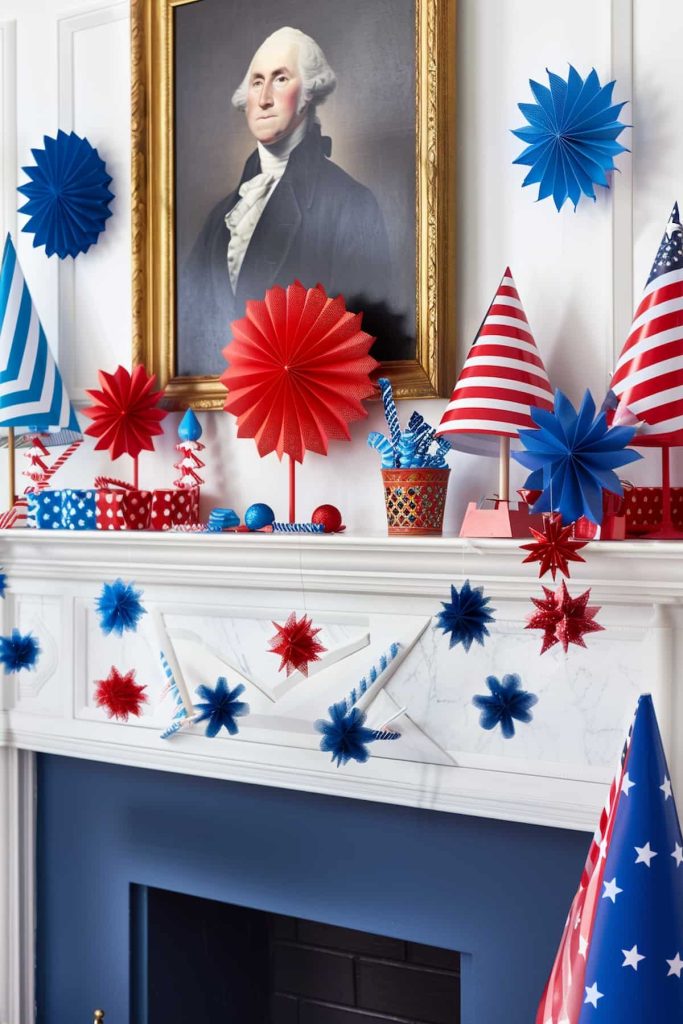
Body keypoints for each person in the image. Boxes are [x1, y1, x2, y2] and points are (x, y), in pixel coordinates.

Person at [178, 26, 394, 376]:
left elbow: (370, 344)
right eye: (256, 81)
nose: (264, 98)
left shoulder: (351, 204)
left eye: (280, 79)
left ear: (308, 93)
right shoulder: (221, 218)